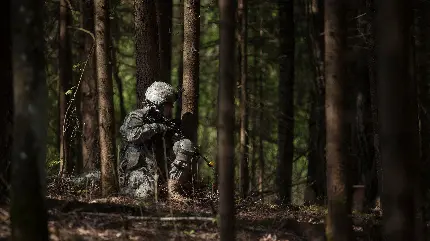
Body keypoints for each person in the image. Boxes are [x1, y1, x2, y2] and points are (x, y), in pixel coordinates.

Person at [119, 81, 198, 199]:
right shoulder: (137, 116)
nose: (171, 108)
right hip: (138, 171)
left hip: (160, 171)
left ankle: (172, 188)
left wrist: (172, 132)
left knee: (185, 144)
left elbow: (178, 147)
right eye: (168, 104)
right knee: (147, 194)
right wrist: (157, 127)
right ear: (158, 103)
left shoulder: (166, 122)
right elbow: (133, 135)